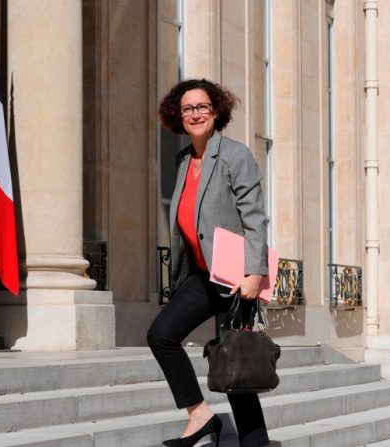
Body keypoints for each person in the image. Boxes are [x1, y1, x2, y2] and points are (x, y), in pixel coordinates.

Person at [147, 79, 271, 447]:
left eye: (202, 107)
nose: (195, 114)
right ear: (178, 116)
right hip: (203, 277)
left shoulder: (235, 155)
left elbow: (255, 218)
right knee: (161, 336)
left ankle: (255, 443)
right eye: (187, 109)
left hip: (236, 279)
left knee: (236, 369)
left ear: (216, 111)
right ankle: (200, 415)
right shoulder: (183, 160)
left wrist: (255, 273)